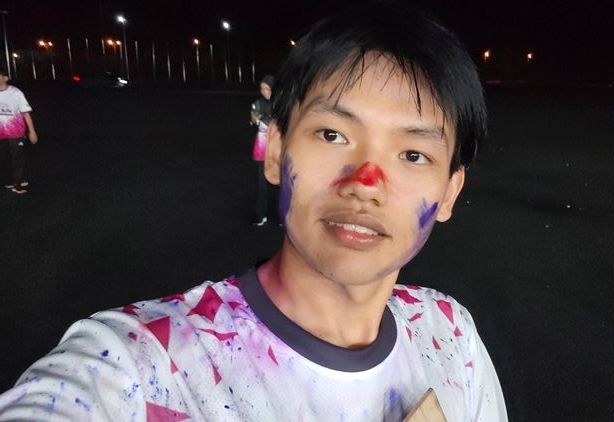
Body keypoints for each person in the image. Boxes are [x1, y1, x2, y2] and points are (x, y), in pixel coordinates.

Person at [0, 3, 507, 421]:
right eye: (333, 134)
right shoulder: (140, 366)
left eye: (413, 154)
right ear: (277, 150)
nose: (365, 184)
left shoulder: (448, 333)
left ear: (449, 192)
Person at [0, 69, 38, 194]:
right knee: (5, 157)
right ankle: (13, 180)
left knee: (17, 157)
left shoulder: (16, 93)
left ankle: (17, 184)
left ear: (5, 78)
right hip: (1, 132)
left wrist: (32, 131)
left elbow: (26, 113)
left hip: (15, 132)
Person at [250, 75, 274, 226]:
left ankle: (283, 215)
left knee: (283, 182)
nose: (264, 92)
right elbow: (254, 119)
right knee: (261, 181)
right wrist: (257, 119)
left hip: (279, 146)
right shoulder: (258, 103)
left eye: (267, 89)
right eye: (262, 89)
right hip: (263, 145)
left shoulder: (281, 104)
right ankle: (261, 214)